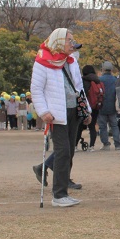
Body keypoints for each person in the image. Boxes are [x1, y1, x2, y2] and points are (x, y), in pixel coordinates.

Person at [30, 28, 90, 206]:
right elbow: (36, 90)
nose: (72, 44)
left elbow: (78, 87)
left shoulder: (71, 61)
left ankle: (63, 192)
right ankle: (58, 195)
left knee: (69, 151)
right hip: (56, 113)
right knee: (62, 151)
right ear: (57, 41)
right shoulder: (42, 62)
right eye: (69, 40)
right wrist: (43, 111)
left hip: (73, 111)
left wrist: (86, 110)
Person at [97, 61, 120, 150]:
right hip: (113, 106)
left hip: (102, 106)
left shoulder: (99, 80)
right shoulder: (115, 80)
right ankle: (117, 144)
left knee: (103, 127)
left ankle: (106, 144)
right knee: (114, 126)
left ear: (102, 69)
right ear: (111, 70)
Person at [80, 65, 102, 150]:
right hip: (95, 105)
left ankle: (75, 145)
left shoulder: (83, 81)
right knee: (92, 126)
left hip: (85, 106)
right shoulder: (97, 80)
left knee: (80, 126)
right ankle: (92, 146)